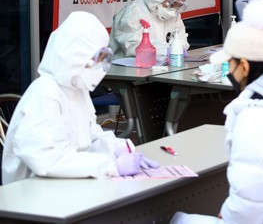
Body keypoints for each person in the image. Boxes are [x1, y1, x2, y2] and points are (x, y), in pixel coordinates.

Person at [170, 0, 263, 224]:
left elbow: (248, 211)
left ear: (245, 66)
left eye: (230, 64)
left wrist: (227, 214)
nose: (229, 70)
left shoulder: (256, 119)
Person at [2, 11, 159, 184]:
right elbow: (45, 159)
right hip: (33, 194)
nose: (99, 67)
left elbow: (91, 135)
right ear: (72, 57)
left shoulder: (76, 90)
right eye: (96, 59)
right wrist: (109, 166)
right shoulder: (45, 94)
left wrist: (119, 148)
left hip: (67, 184)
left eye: (103, 57)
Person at [109, 0, 190, 59]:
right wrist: (164, 50)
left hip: (158, 66)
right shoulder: (135, 10)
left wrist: (179, 48)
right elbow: (129, 43)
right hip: (127, 67)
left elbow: (181, 36)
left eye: (178, 5)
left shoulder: (174, 14)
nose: (173, 8)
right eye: (172, 3)